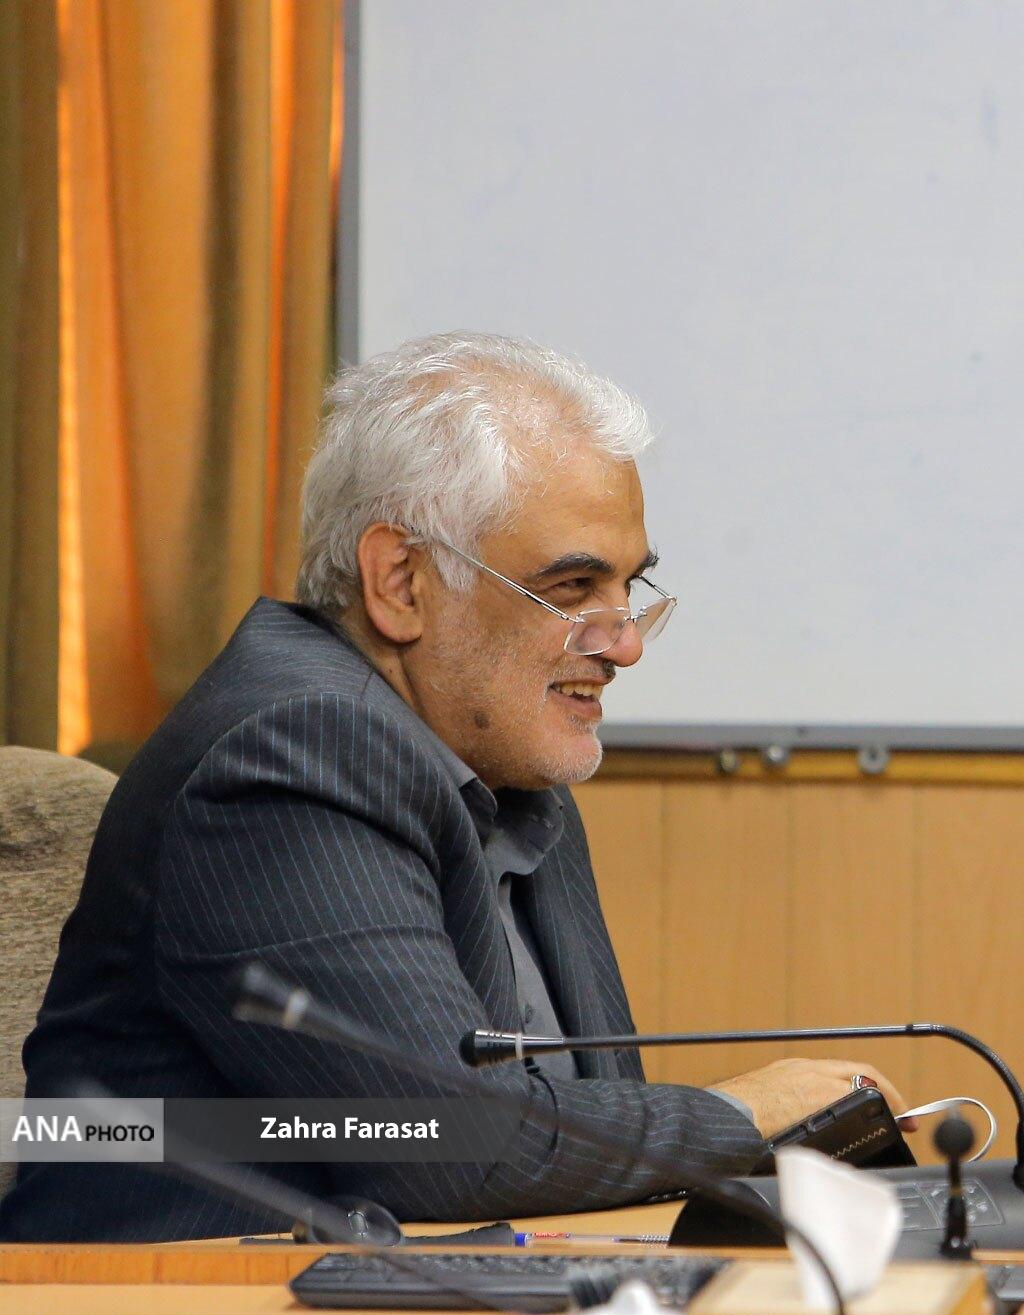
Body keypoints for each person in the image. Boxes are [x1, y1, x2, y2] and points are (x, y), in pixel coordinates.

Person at [1, 332, 905, 1240]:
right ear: (401, 582)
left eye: (630, 587)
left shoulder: (504, 754)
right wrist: (743, 1117)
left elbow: (581, 1116)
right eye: (574, 586)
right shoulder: (290, 751)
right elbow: (447, 1142)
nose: (625, 642)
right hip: (158, 1288)